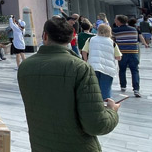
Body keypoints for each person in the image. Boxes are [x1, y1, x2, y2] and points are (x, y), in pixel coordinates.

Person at [18, 16, 120, 151]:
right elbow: (96, 125)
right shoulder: (80, 68)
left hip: (41, 145)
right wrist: (112, 111)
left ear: (45, 36)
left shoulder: (25, 67)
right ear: (72, 37)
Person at [81, 25, 121, 100]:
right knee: (106, 88)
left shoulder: (91, 39)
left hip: (93, 66)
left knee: (93, 87)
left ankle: (94, 103)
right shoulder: (112, 42)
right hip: (108, 69)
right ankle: (105, 106)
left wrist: (85, 60)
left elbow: (84, 51)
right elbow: (118, 57)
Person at [113, 15, 146, 98]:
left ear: (119, 21)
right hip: (133, 53)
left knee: (122, 70)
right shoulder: (134, 29)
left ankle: (123, 86)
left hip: (122, 53)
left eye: (116, 20)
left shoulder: (116, 30)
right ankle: (136, 89)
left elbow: (112, 39)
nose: (115, 21)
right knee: (134, 70)